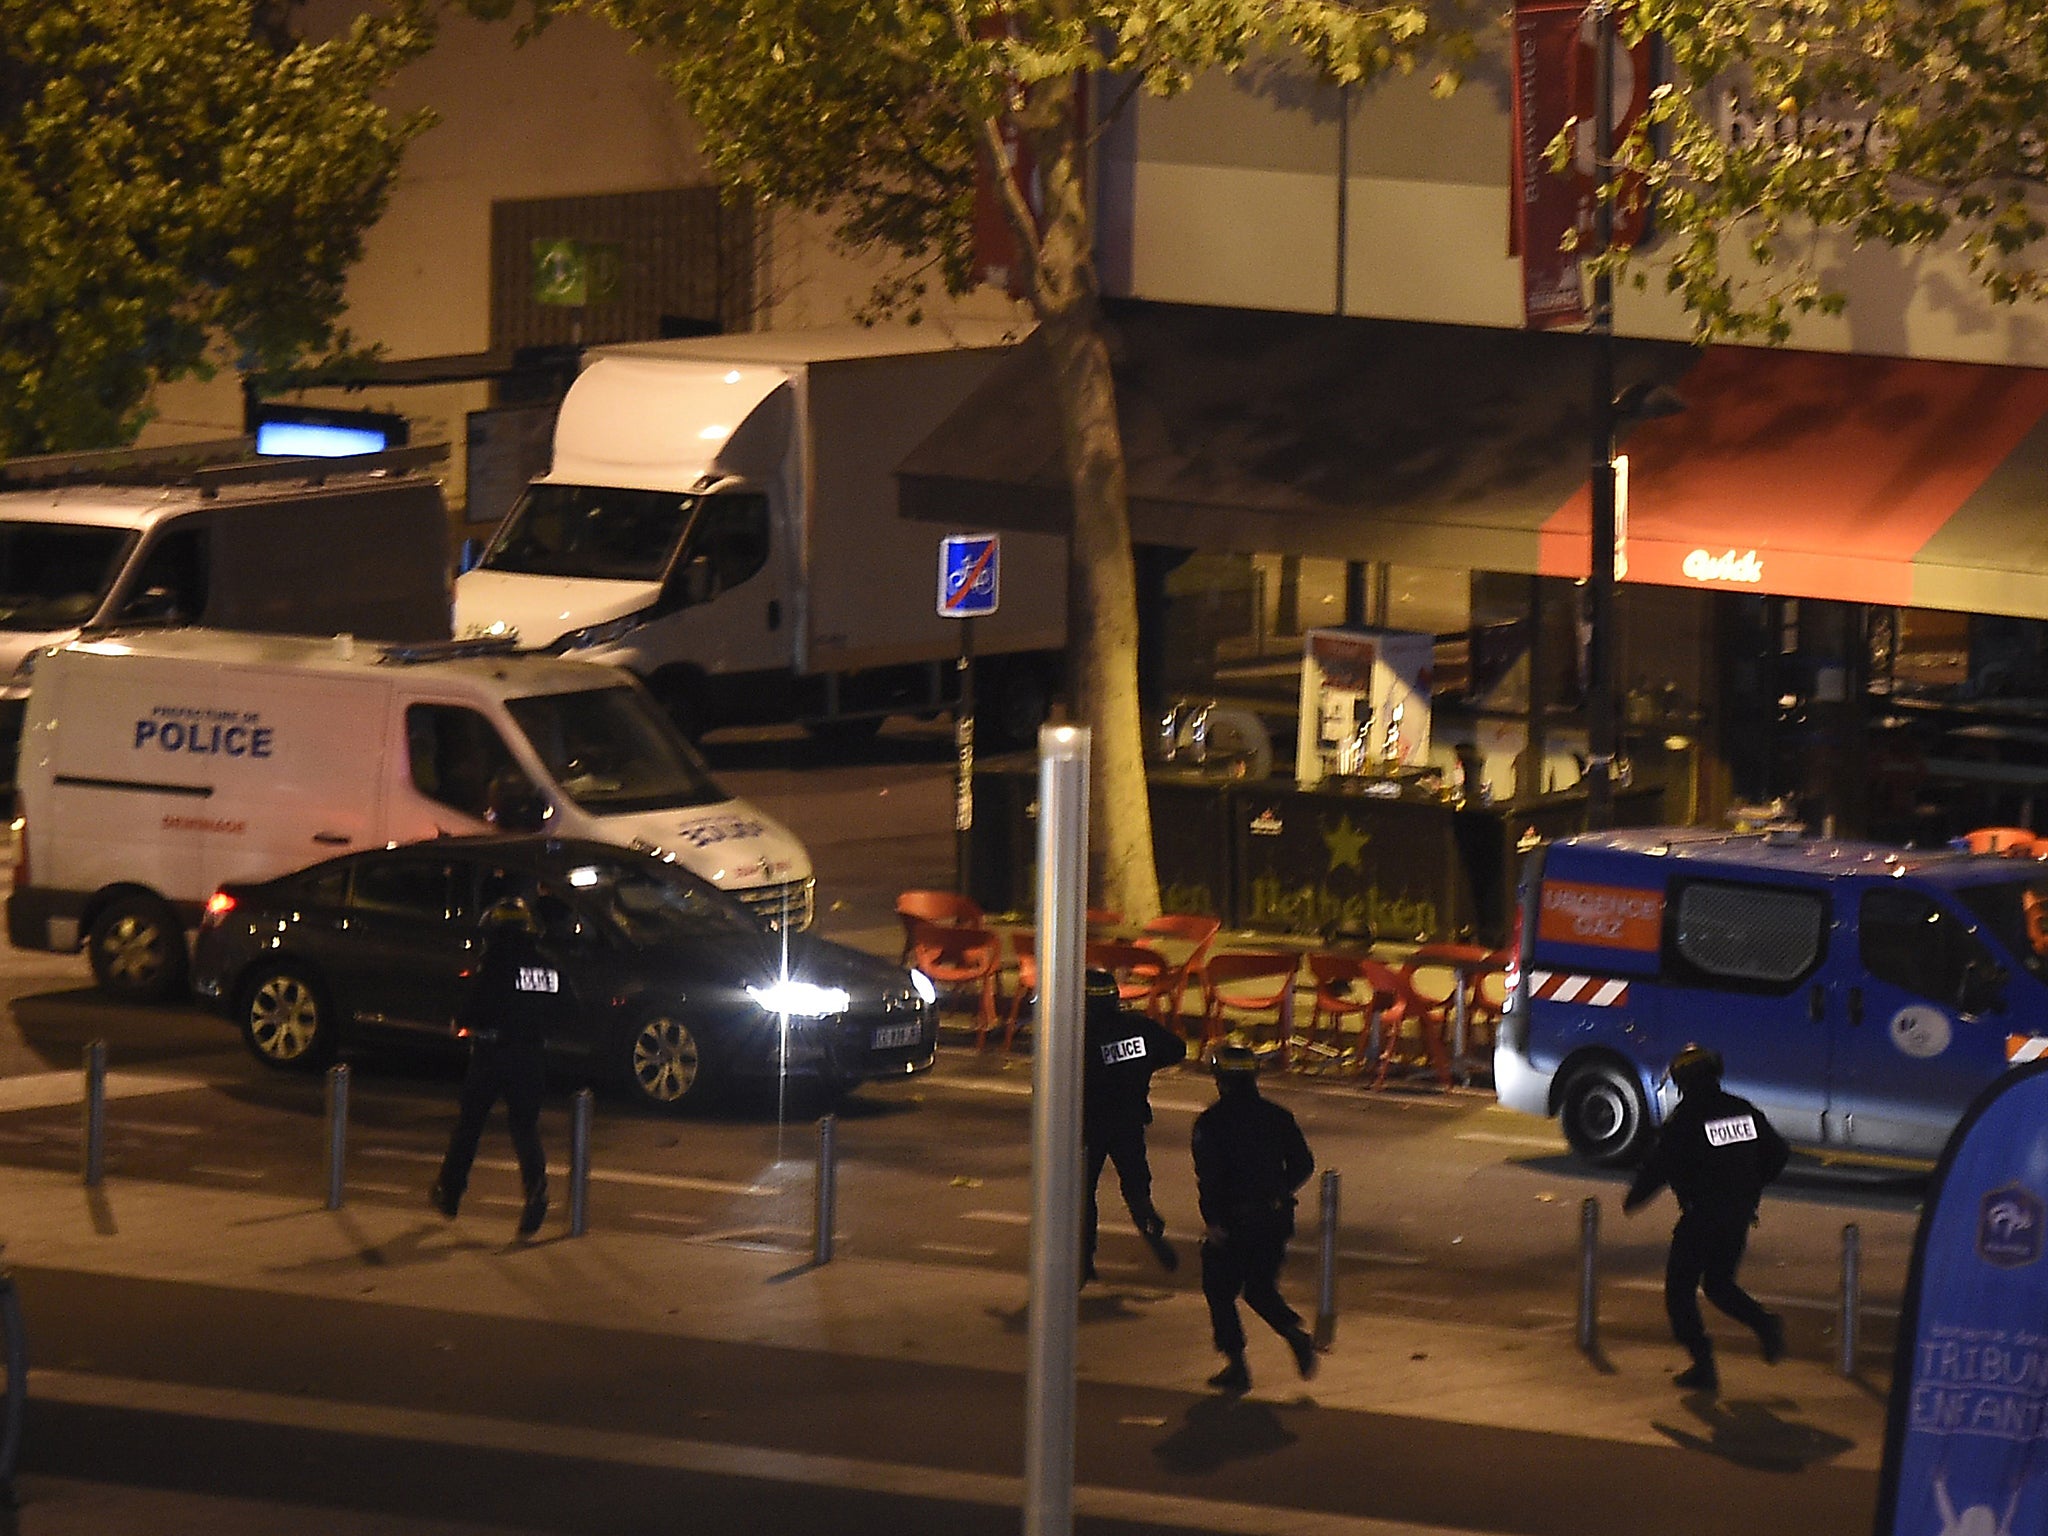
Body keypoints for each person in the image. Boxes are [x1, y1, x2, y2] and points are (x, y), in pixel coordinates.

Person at [1623, 1043, 1790, 1393]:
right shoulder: (1741, 1110)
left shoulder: (1685, 1121)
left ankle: (1703, 1365)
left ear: (1683, 1082)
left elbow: (1659, 1168)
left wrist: (1634, 1199)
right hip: (1738, 1216)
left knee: (1679, 1295)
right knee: (1718, 1284)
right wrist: (1752, 1186)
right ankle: (1764, 1324)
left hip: (1701, 1219)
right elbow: (1778, 1152)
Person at [431, 891, 568, 1238]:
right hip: (530, 1057)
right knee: (525, 1128)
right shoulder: (547, 968)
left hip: (492, 1055)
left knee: (470, 1126)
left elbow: (473, 1009)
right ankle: (536, 1192)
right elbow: (569, 1009)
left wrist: (461, 1021)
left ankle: (450, 1191)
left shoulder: (493, 966)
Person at [1191, 1040, 1318, 1393]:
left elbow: (1210, 1177)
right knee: (1260, 1288)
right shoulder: (1277, 1116)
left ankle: (1237, 1364)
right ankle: (1294, 1334)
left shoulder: (1212, 1123)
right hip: (1274, 1219)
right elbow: (1304, 1164)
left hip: (1235, 1220)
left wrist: (1214, 1220)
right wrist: (1278, 1191)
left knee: (1218, 1289)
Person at [1081, 967, 1187, 1283]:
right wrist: (1145, 1065)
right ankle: (1149, 1225)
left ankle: (1084, 1261)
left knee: (1084, 1194)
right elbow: (1176, 1049)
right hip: (1129, 1121)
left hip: (1090, 1125)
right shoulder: (1139, 1028)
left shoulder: (1080, 1035)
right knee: (1136, 1187)